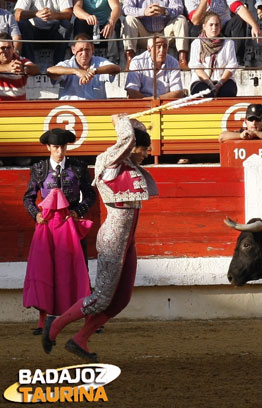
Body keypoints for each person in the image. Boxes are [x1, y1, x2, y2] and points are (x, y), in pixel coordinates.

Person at [42, 114, 158, 362]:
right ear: (131, 147)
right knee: (102, 298)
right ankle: (55, 325)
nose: (146, 154)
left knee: (121, 298)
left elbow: (132, 133)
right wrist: (121, 119)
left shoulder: (126, 163)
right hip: (114, 237)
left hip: (128, 239)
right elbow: (127, 136)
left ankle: (80, 338)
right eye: (144, 149)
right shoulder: (110, 161)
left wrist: (133, 122)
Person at [23, 128, 96, 335]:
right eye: (56, 147)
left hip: (70, 226)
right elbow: (28, 198)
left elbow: (90, 196)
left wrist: (76, 211)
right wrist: (35, 215)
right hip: (47, 226)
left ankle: (88, 318)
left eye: (63, 147)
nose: (60, 151)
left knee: (80, 268)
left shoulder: (79, 167)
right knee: (46, 270)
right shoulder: (39, 168)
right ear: (48, 147)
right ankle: (43, 319)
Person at [185, 0, 260, 66]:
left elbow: (237, 6)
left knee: (239, 20)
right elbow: (195, 20)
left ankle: (237, 61)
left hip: (223, 28)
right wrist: (204, 1)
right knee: (194, 29)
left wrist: (254, 25)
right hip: (204, 30)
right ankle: (198, 61)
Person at [46, 33, 121, 100]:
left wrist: (95, 71)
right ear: (73, 50)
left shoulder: (100, 62)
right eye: (80, 50)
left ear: (92, 49)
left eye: (87, 49)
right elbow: (50, 71)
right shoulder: (68, 64)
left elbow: (116, 68)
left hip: (95, 110)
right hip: (70, 110)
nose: (84, 53)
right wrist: (76, 71)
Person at [122, 0, 189, 71]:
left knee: (181, 19)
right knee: (129, 19)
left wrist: (165, 11)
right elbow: (125, 9)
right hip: (143, 34)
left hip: (164, 33)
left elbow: (179, 8)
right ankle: (130, 60)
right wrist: (143, 12)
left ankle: (182, 59)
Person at [189, 11, 238, 97]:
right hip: (202, 80)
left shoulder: (229, 43)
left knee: (227, 93)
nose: (214, 28)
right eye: (211, 25)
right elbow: (196, 67)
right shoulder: (196, 43)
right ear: (204, 26)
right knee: (205, 93)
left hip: (224, 81)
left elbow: (231, 66)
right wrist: (210, 84)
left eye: (217, 25)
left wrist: (219, 84)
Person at [14, 0, 73, 65]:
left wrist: (54, 15)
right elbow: (17, 14)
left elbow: (69, 13)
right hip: (33, 32)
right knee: (22, 23)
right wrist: (36, 13)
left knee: (66, 24)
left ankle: (58, 65)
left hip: (55, 32)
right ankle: (29, 65)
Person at [72, 0, 122, 64]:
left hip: (105, 26)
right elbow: (76, 8)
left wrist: (111, 21)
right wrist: (87, 16)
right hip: (89, 25)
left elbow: (116, 7)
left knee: (115, 22)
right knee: (79, 22)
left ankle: (113, 58)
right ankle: (79, 54)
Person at [0, 32, 39, 100]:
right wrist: (7, 68)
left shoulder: (20, 60)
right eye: (2, 48)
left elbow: (36, 70)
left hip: (19, 106)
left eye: (8, 47)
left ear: (13, 48)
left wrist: (23, 68)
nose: (6, 51)